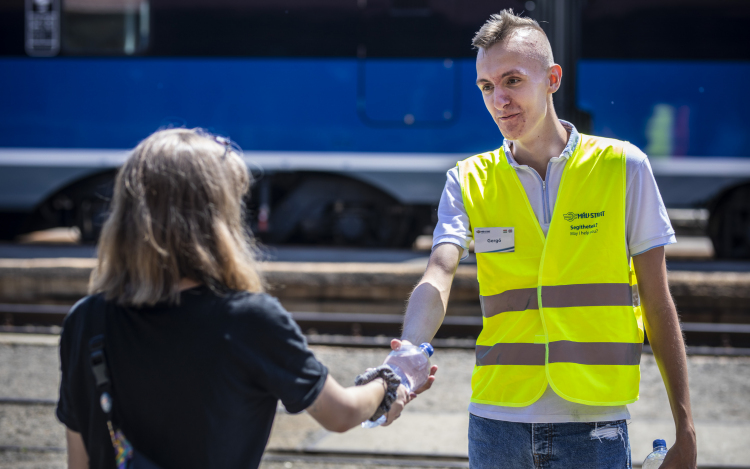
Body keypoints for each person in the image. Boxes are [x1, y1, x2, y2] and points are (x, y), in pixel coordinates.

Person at [392, 9, 697, 469]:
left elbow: (658, 303)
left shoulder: (623, 167)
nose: (499, 99)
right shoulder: (467, 179)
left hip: (593, 423)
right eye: (487, 87)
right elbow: (439, 272)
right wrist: (410, 349)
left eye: (513, 80)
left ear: (552, 78)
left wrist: (686, 428)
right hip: (496, 424)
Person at [56, 128, 428, 469]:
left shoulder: (86, 319)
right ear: (215, 218)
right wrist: (391, 378)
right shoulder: (248, 320)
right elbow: (341, 414)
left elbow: (80, 459)